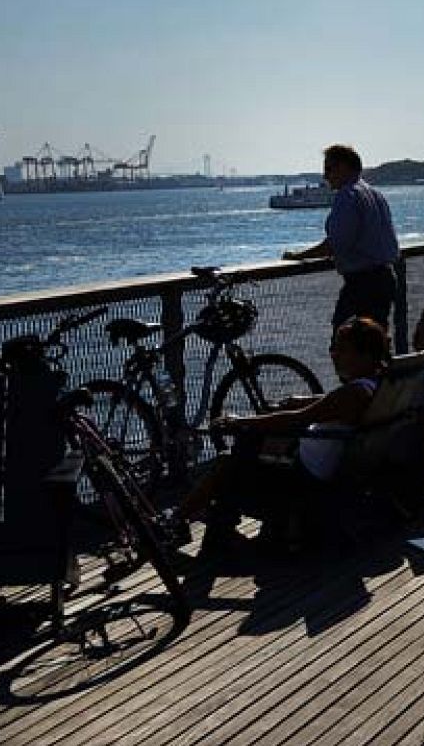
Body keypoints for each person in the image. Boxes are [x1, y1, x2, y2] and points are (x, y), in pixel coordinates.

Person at [172, 316, 391, 539]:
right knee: (244, 450)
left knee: (231, 460)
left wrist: (240, 421)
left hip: (306, 481)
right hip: (322, 469)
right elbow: (329, 404)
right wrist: (304, 399)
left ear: (366, 355)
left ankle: (178, 522)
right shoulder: (376, 385)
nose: (334, 355)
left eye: (342, 350)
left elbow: (298, 419)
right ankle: (210, 520)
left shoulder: (352, 394)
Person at [282, 144, 405, 344]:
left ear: (344, 167)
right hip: (385, 277)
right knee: (375, 343)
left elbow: (337, 243)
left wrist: (299, 256)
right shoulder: (374, 193)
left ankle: (360, 376)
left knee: (344, 344)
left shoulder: (348, 196)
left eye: (329, 169)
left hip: (363, 283)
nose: (325, 176)